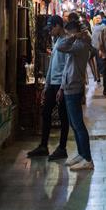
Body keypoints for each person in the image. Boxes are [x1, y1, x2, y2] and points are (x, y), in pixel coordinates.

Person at [27, 16, 69, 160]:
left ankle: (62, 148)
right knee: (46, 113)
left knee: (64, 116)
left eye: (51, 28)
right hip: (53, 84)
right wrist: (47, 84)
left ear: (58, 26)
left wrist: (62, 88)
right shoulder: (57, 41)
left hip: (61, 85)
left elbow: (67, 67)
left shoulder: (66, 42)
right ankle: (43, 145)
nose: (49, 31)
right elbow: (52, 65)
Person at [54, 21, 94, 170]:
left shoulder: (80, 45)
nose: (67, 36)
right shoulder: (77, 44)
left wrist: (74, 37)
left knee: (78, 124)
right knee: (74, 124)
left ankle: (87, 158)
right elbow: (67, 66)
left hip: (74, 86)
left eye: (68, 33)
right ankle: (81, 153)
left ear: (74, 32)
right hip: (69, 86)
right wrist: (62, 88)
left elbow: (60, 47)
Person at [91, 15, 106, 83]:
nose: (98, 19)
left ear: (101, 19)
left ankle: (101, 74)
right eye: (97, 18)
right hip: (94, 47)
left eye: (99, 18)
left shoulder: (103, 26)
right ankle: (97, 76)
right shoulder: (94, 26)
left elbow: (104, 38)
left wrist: (101, 48)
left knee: (100, 61)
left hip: (100, 47)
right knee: (96, 62)